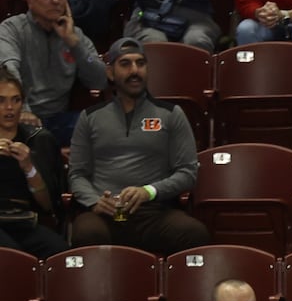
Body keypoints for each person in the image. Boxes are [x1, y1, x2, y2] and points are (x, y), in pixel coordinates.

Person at [69, 37, 208, 254]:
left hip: (154, 212)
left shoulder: (171, 114)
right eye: (125, 64)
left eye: (140, 63)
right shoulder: (90, 117)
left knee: (194, 232)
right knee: (86, 232)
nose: (135, 70)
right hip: (106, 213)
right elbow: (77, 174)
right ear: (110, 72)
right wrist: (94, 201)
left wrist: (148, 191)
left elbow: (188, 172)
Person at [0, 0, 110, 146]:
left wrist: (74, 44)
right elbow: (10, 71)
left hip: (58, 119)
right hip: (16, 117)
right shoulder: (11, 30)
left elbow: (99, 80)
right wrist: (23, 111)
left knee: (103, 127)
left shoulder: (75, 35)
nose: (55, 0)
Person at [0, 68, 69, 258]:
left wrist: (29, 168)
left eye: (16, 100)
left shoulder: (39, 140)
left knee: (63, 256)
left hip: (23, 220)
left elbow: (48, 206)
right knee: (14, 257)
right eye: (1, 100)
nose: (9, 108)